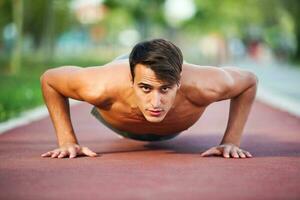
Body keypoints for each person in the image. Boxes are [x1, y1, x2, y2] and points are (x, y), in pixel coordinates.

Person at [40, 38, 258, 159]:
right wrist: (67, 141)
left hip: (173, 126)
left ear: (179, 83)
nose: (155, 103)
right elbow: (49, 80)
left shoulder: (204, 85)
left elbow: (249, 81)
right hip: (117, 119)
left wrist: (231, 141)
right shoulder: (100, 85)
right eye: (145, 88)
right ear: (131, 80)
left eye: (165, 90)